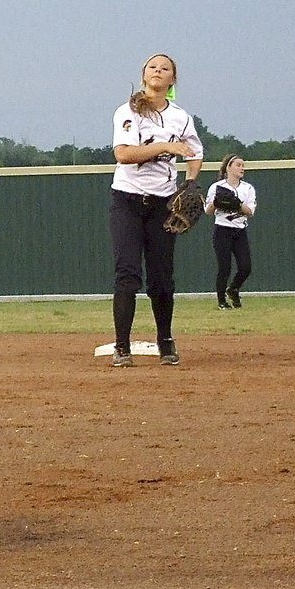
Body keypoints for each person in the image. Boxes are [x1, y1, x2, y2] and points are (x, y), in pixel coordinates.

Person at [108, 53, 204, 367]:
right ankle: (122, 347)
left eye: (165, 68)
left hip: (163, 204)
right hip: (128, 201)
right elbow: (123, 154)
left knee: (162, 279)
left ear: (172, 80)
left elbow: (195, 151)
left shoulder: (180, 117)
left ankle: (166, 342)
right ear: (144, 75)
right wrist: (164, 146)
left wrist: (190, 183)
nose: (158, 71)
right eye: (153, 67)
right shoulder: (129, 112)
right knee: (128, 275)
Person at [205, 153, 257, 309]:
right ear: (228, 167)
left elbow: (250, 211)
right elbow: (208, 211)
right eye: (238, 165)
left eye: (243, 165)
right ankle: (221, 301)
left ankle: (233, 289)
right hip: (222, 230)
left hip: (240, 230)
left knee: (245, 267)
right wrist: (216, 201)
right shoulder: (217, 187)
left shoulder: (247, 188)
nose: (242, 168)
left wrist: (237, 204)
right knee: (224, 267)